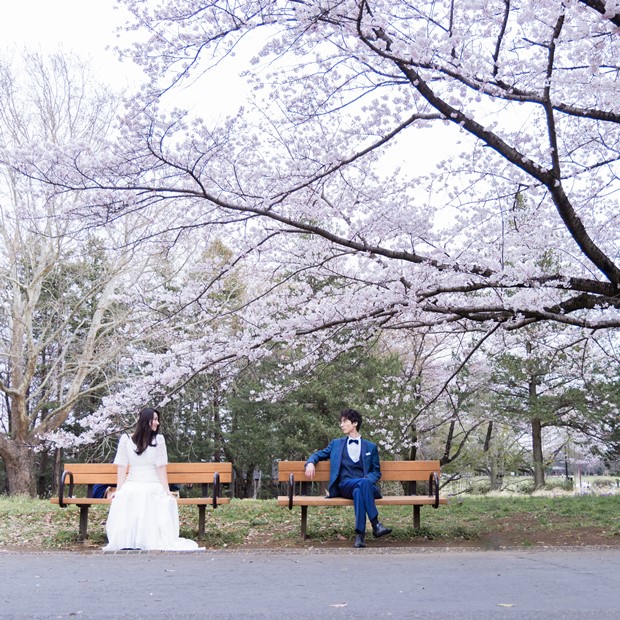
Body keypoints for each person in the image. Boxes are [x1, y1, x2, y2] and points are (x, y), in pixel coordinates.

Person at [103, 407, 203, 551]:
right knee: (125, 496)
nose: (157, 423)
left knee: (152, 495)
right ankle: (129, 540)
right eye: (154, 420)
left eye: (157, 420)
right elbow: (122, 467)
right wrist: (118, 490)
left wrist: (167, 490)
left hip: (153, 482)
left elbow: (161, 468)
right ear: (146, 421)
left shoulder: (159, 440)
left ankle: (148, 540)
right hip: (132, 482)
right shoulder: (126, 440)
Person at [304, 408, 392, 548]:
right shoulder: (336, 444)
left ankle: (360, 536)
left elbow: (376, 472)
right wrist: (309, 463)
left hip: (365, 486)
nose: (341, 425)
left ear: (355, 423)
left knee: (359, 490)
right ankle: (376, 524)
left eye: (345, 421)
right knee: (361, 486)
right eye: (341, 422)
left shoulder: (371, 447)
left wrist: (366, 480)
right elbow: (318, 455)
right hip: (344, 486)